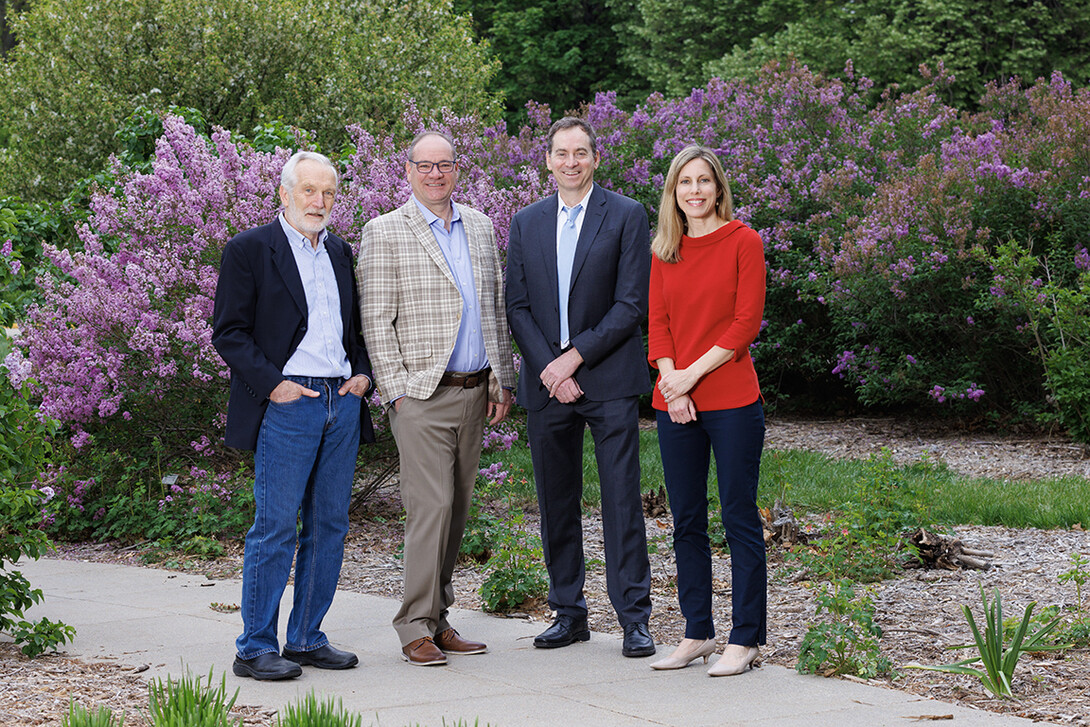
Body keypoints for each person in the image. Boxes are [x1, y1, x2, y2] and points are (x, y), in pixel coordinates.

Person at [212, 150, 376, 681]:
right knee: (276, 527)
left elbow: (357, 328)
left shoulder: (341, 252)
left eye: (328, 192)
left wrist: (362, 375)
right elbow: (229, 332)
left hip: (341, 401)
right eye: (309, 190)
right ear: (284, 193)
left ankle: (305, 638)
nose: (319, 202)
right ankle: (255, 646)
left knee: (329, 524)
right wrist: (275, 386)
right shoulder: (250, 250)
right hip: (289, 403)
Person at [359, 131, 516, 667]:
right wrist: (397, 389)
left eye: (444, 164)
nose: (435, 174)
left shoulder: (480, 225)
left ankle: (438, 618)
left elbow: (492, 308)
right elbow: (375, 319)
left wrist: (502, 377)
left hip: (475, 391)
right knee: (432, 507)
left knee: (458, 509)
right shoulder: (384, 231)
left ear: (457, 169)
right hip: (421, 395)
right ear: (407, 171)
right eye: (424, 165)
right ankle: (413, 627)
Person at [506, 117, 655, 658]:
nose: (571, 162)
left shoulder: (626, 215)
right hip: (548, 384)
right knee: (556, 501)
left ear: (596, 159)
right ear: (547, 161)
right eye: (561, 153)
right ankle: (568, 613)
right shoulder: (526, 222)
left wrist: (574, 359)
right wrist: (551, 368)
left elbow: (631, 305)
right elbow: (517, 307)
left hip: (608, 379)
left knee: (620, 501)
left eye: (581, 153)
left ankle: (635, 618)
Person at [645, 145, 767, 676]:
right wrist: (672, 385)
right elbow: (659, 324)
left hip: (732, 399)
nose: (694, 191)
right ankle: (697, 632)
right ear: (673, 192)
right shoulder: (664, 250)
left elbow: (744, 324)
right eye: (684, 183)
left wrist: (687, 378)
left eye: (703, 181)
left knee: (738, 516)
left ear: (719, 188)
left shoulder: (744, 241)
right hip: (675, 402)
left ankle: (745, 638)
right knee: (686, 520)